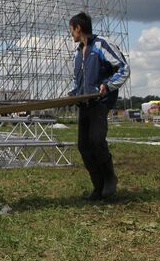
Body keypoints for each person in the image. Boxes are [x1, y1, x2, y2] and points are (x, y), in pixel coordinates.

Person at [68, 12, 130, 200]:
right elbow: (76, 80)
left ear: (78, 28)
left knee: (96, 141)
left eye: (71, 30)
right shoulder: (78, 53)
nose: (71, 34)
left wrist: (107, 85)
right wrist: (72, 94)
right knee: (83, 146)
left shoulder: (102, 45)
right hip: (84, 104)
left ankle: (110, 178)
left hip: (99, 103)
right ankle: (98, 186)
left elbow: (123, 68)